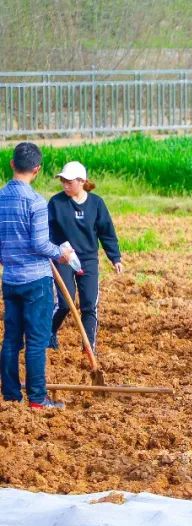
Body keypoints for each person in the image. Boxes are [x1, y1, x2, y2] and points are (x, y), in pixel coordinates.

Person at [1, 142, 75, 409]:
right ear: (37, 169)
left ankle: (11, 396)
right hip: (36, 281)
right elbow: (40, 244)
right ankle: (37, 399)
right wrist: (61, 254)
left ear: (12, 164)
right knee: (35, 340)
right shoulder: (36, 202)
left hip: (10, 279)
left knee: (11, 339)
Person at [48, 161, 122, 351]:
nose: (65, 185)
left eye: (69, 182)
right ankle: (48, 333)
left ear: (81, 181)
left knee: (89, 305)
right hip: (63, 258)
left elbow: (107, 232)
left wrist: (115, 257)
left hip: (88, 259)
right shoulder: (56, 203)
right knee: (65, 303)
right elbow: (47, 232)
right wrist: (53, 251)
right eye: (63, 181)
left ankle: (89, 347)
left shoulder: (96, 204)